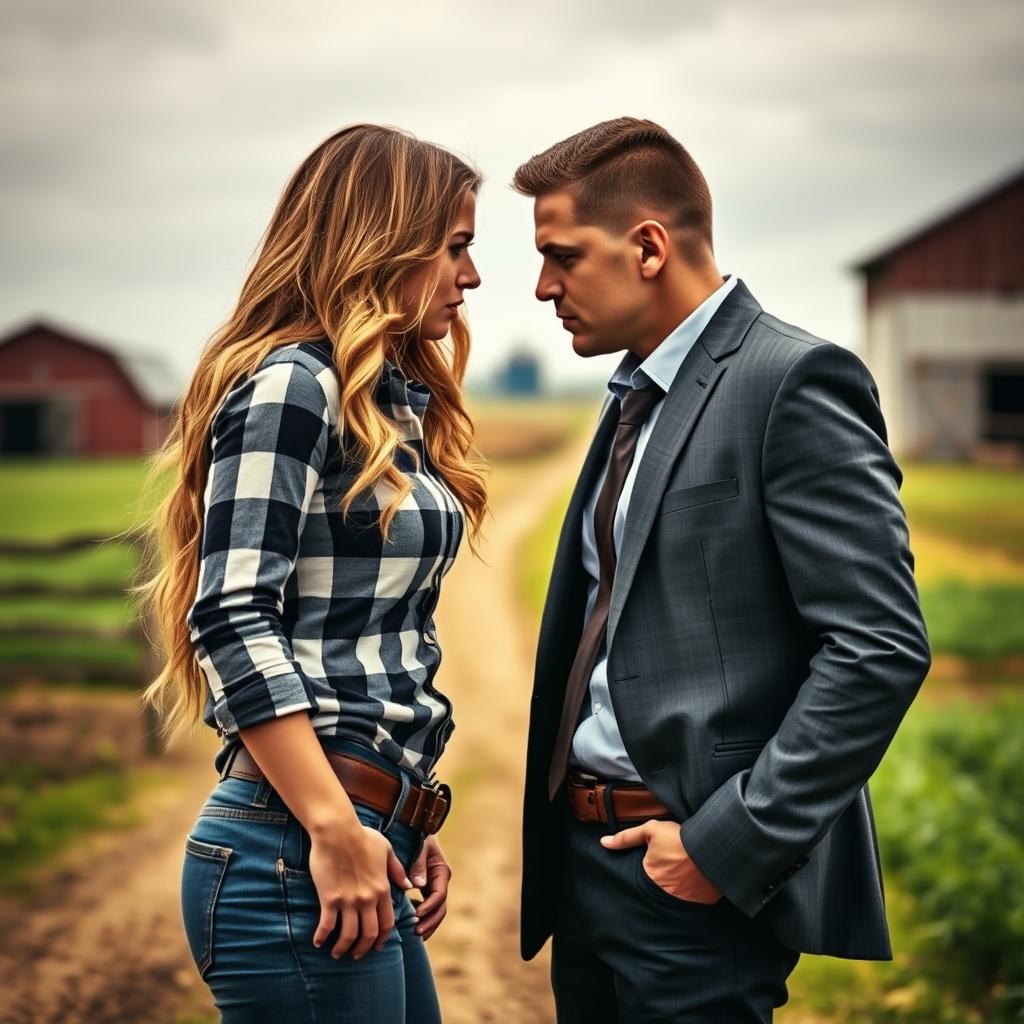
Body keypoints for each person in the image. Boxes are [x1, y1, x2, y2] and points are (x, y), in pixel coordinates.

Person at [513, 117, 932, 1023]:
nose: (543, 287)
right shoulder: (634, 396)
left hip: (691, 882)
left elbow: (880, 646)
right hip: (585, 864)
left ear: (649, 246)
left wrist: (725, 845)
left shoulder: (793, 381)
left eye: (562, 256)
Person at [138, 123, 485, 1023]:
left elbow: (374, 637)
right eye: (455, 249)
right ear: (387, 242)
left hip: (361, 835)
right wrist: (338, 826)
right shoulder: (294, 385)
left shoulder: (382, 407)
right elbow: (231, 613)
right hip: (294, 853)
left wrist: (401, 815)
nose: (471, 278)